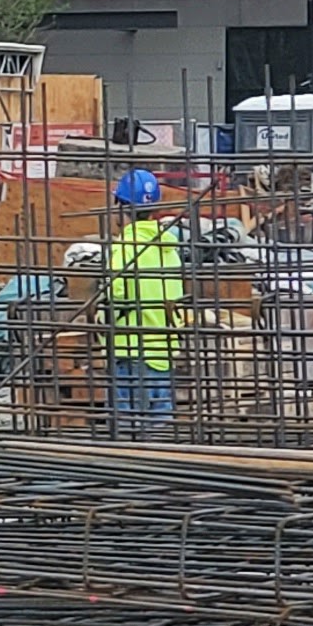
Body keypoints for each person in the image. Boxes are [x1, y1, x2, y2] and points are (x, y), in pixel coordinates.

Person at [103, 166, 185, 436]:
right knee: (161, 430)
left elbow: (116, 294)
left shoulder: (126, 246)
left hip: (131, 349)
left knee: (128, 432)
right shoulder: (168, 245)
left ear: (121, 206)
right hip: (162, 349)